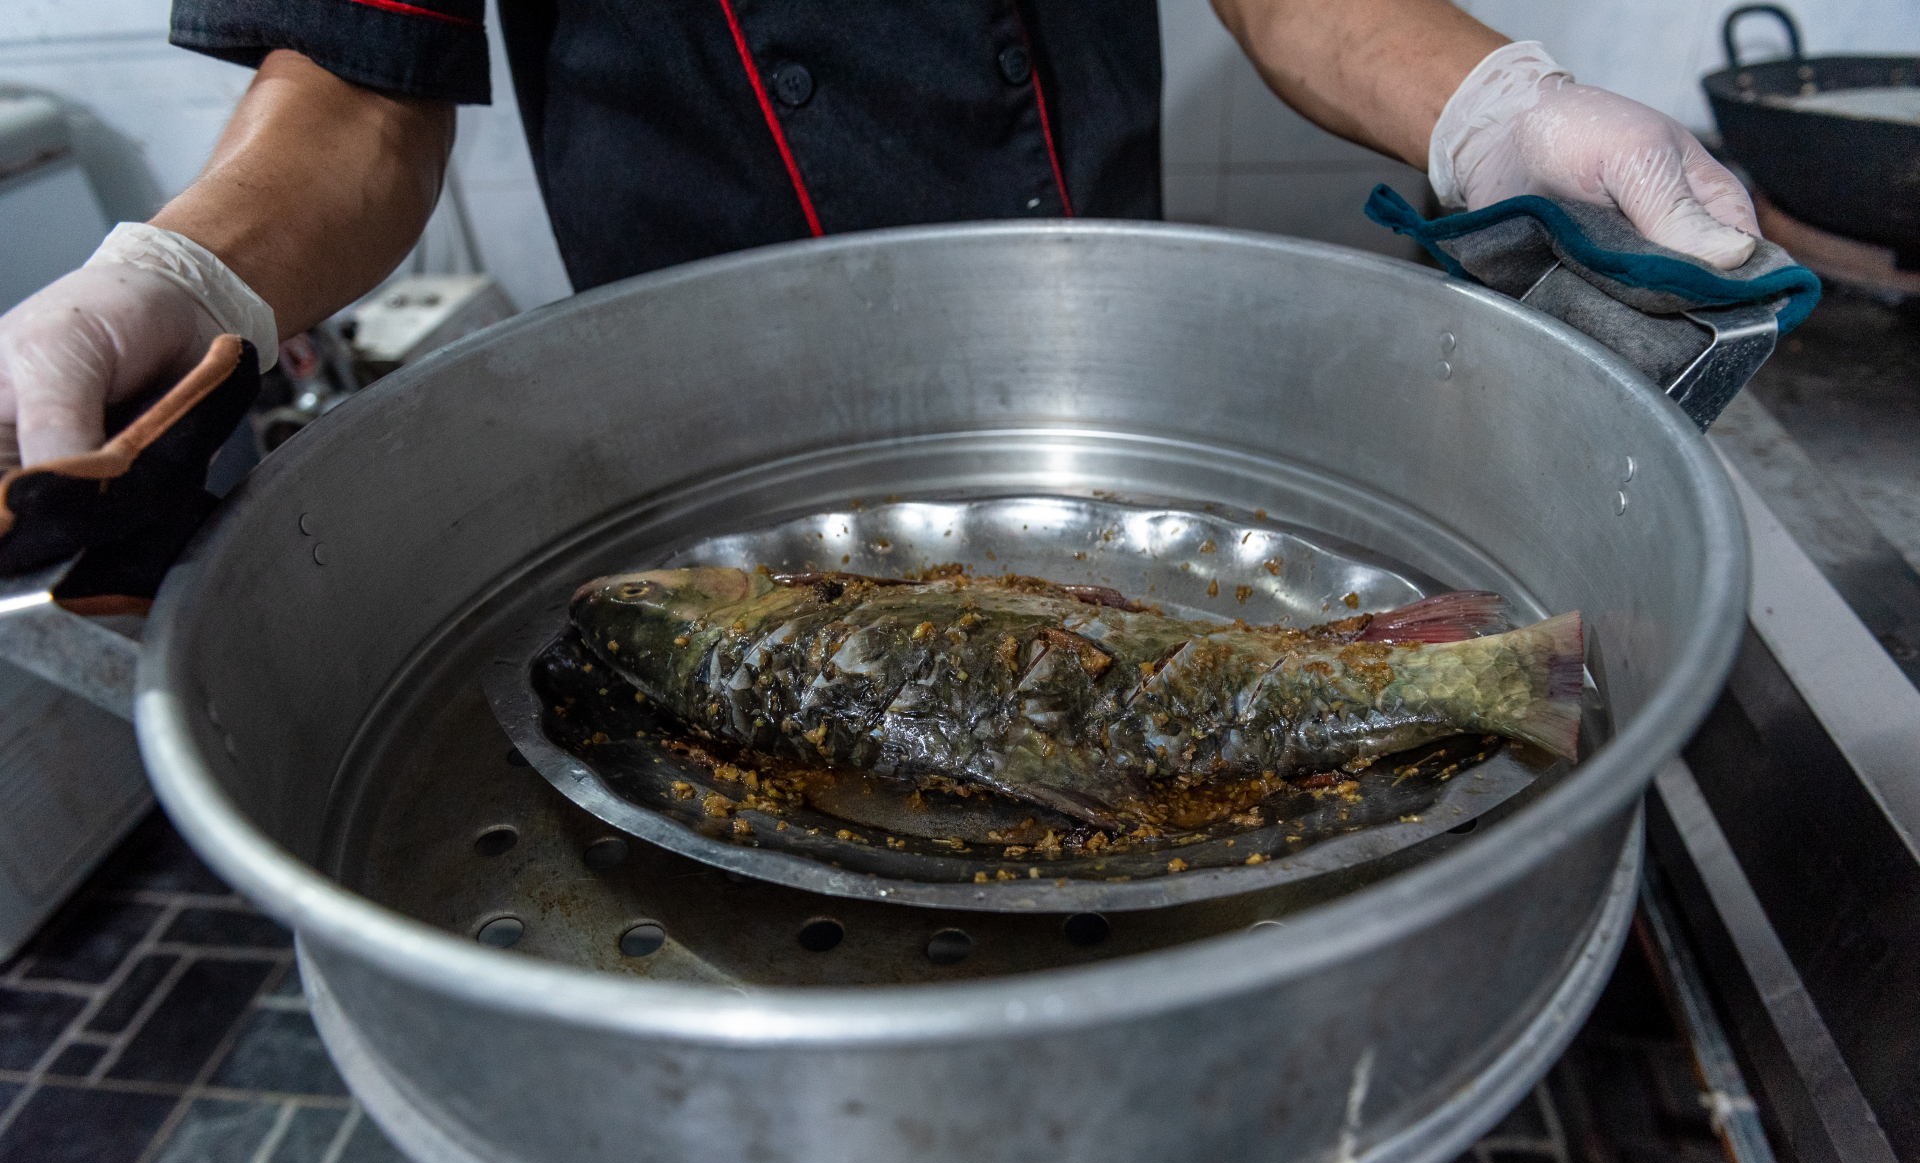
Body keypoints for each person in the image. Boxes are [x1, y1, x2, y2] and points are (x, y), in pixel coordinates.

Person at [0, 0, 1761, 475]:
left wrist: (1497, 109)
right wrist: (180, 273)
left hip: (1105, 395)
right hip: (708, 440)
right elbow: (358, 93)